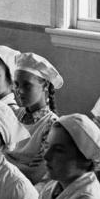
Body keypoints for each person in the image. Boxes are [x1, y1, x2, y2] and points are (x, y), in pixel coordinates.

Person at [11, 51, 64, 184]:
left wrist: (0, 160)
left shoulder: (52, 125)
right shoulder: (13, 115)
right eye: (16, 84)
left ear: (45, 85)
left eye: (27, 85)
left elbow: (34, 174)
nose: (20, 91)